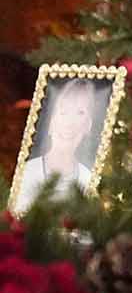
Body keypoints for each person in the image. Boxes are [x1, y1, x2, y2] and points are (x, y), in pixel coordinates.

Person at [14, 79, 105, 208]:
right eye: (63, 112)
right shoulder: (26, 173)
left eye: (80, 113)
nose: (69, 123)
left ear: (88, 126)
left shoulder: (88, 180)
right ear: (51, 122)